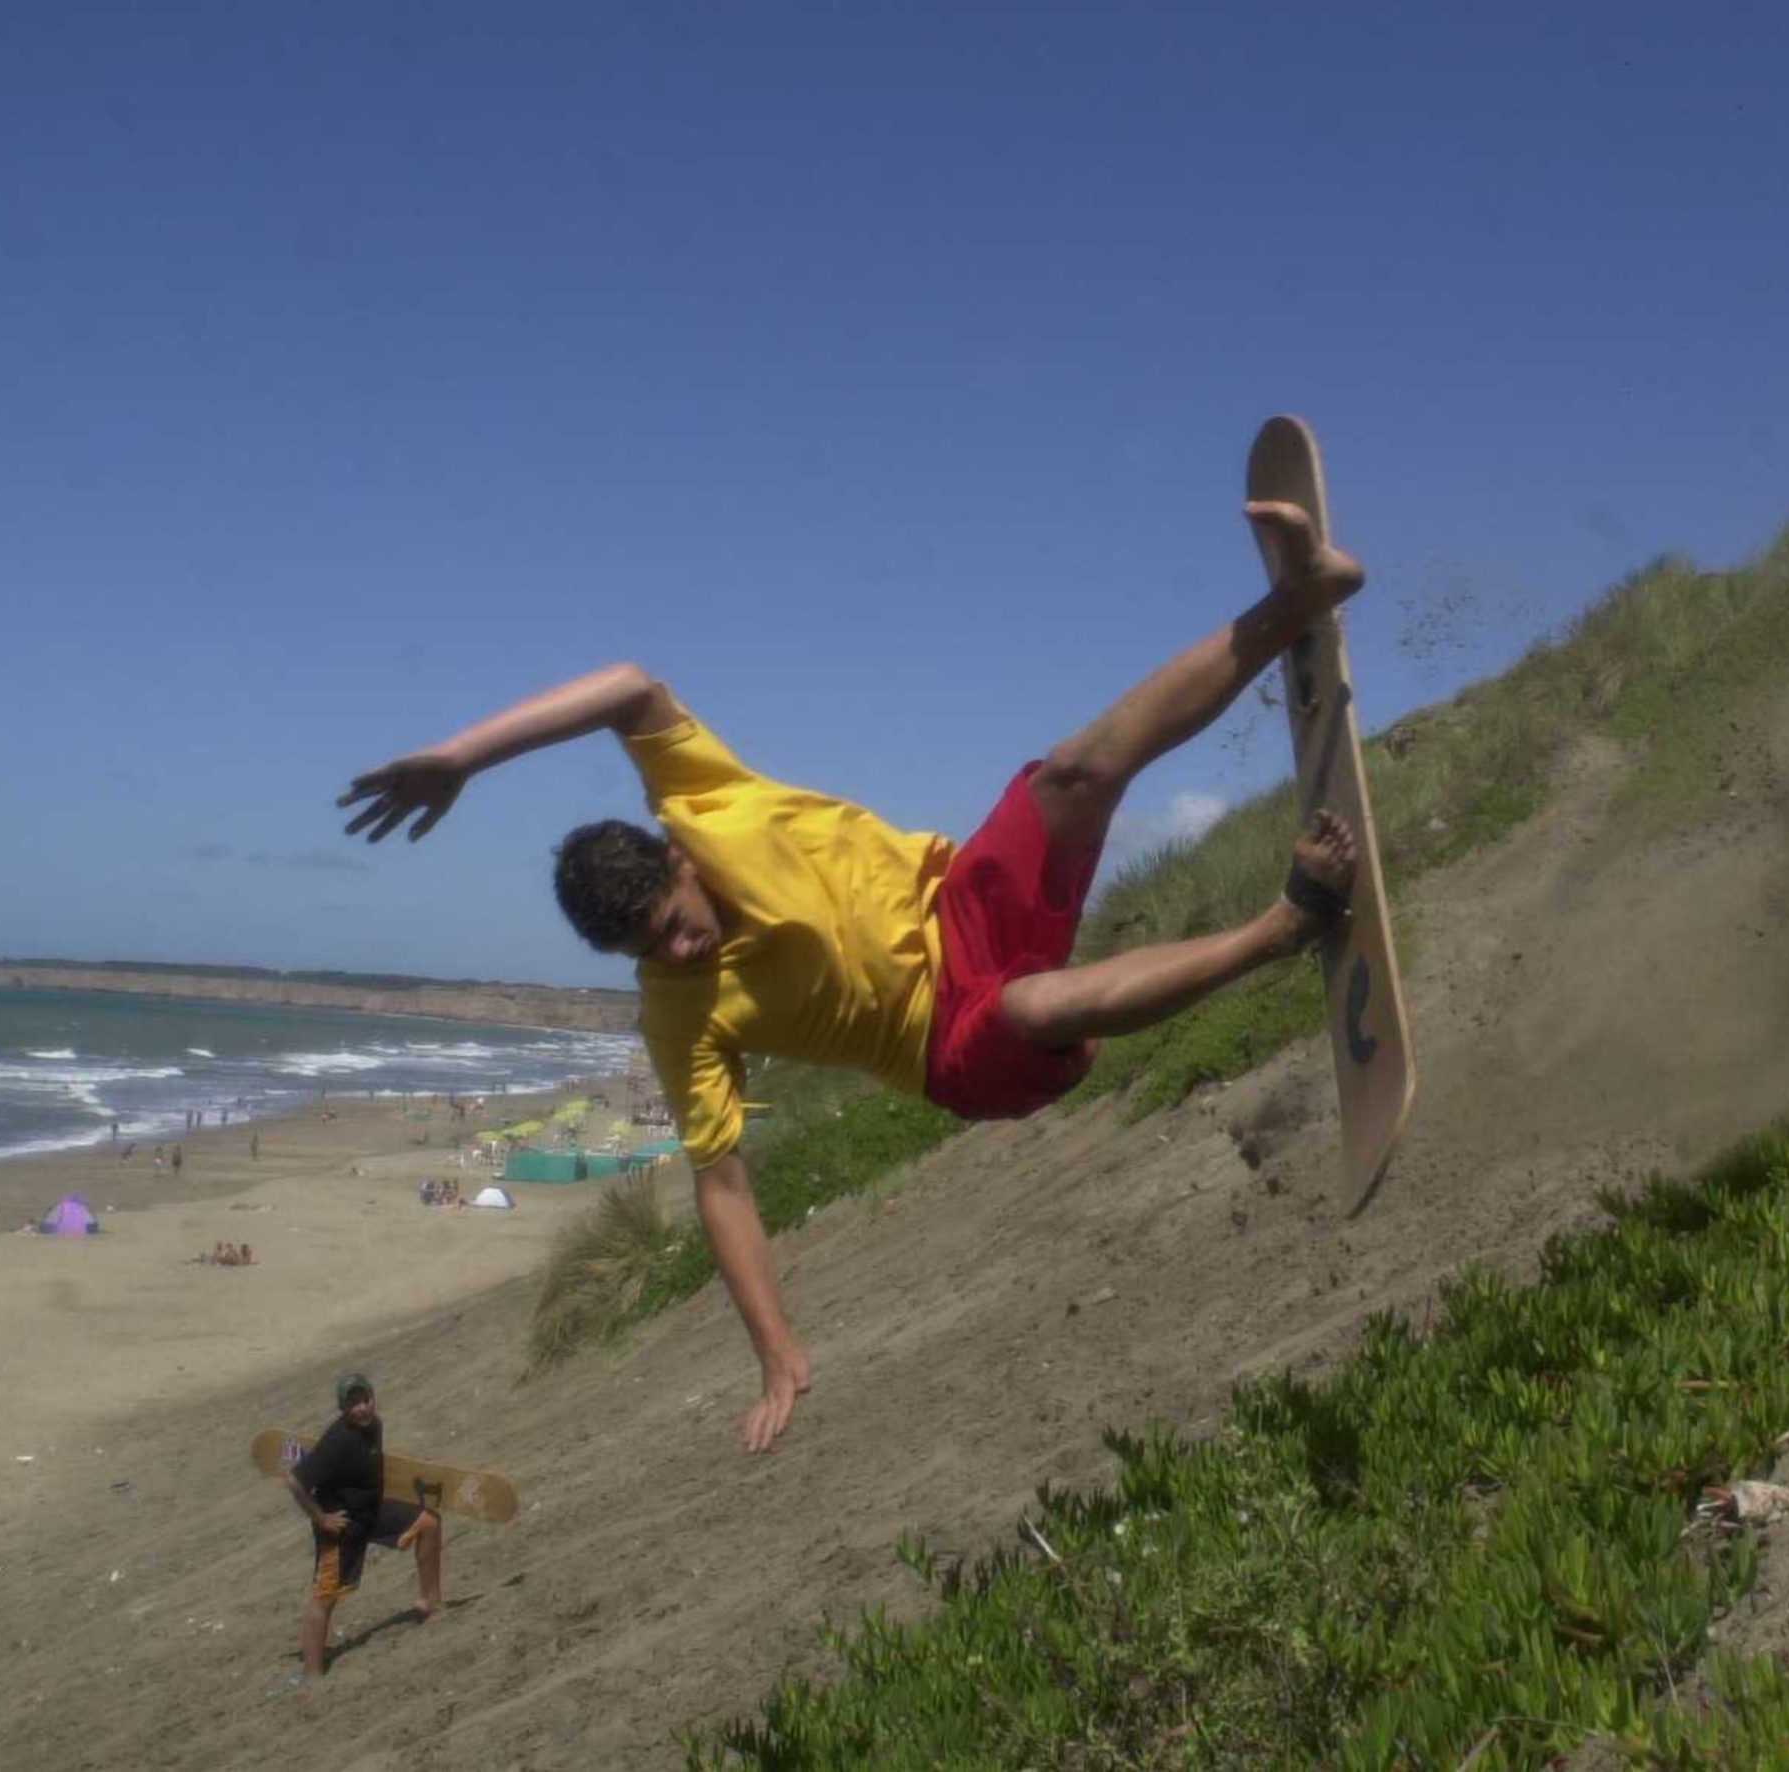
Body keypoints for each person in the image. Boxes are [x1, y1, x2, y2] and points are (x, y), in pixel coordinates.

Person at [341, 491, 1366, 1453]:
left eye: (673, 924)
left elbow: (627, 686)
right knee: (1036, 1002)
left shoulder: (703, 795)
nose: (679, 953)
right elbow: (722, 1182)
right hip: (954, 1051)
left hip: (962, 898)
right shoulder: (679, 1015)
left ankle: (1296, 596)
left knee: (1078, 767)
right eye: (648, 953)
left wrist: (463, 755)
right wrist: (775, 1349)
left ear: (676, 858)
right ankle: (1284, 923)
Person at [281, 1374, 441, 1680]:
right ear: (342, 1408)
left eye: (365, 1399)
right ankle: (312, 1675)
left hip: (372, 1512)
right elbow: (294, 1481)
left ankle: (429, 1601)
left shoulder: (375, 1425)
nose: (362, 1408)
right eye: (353, 1403)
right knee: (325, 1597)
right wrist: (321, 1518)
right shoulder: (337, 1440)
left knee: (430, 1523)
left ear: (373, 1398)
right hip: (341, 1528)